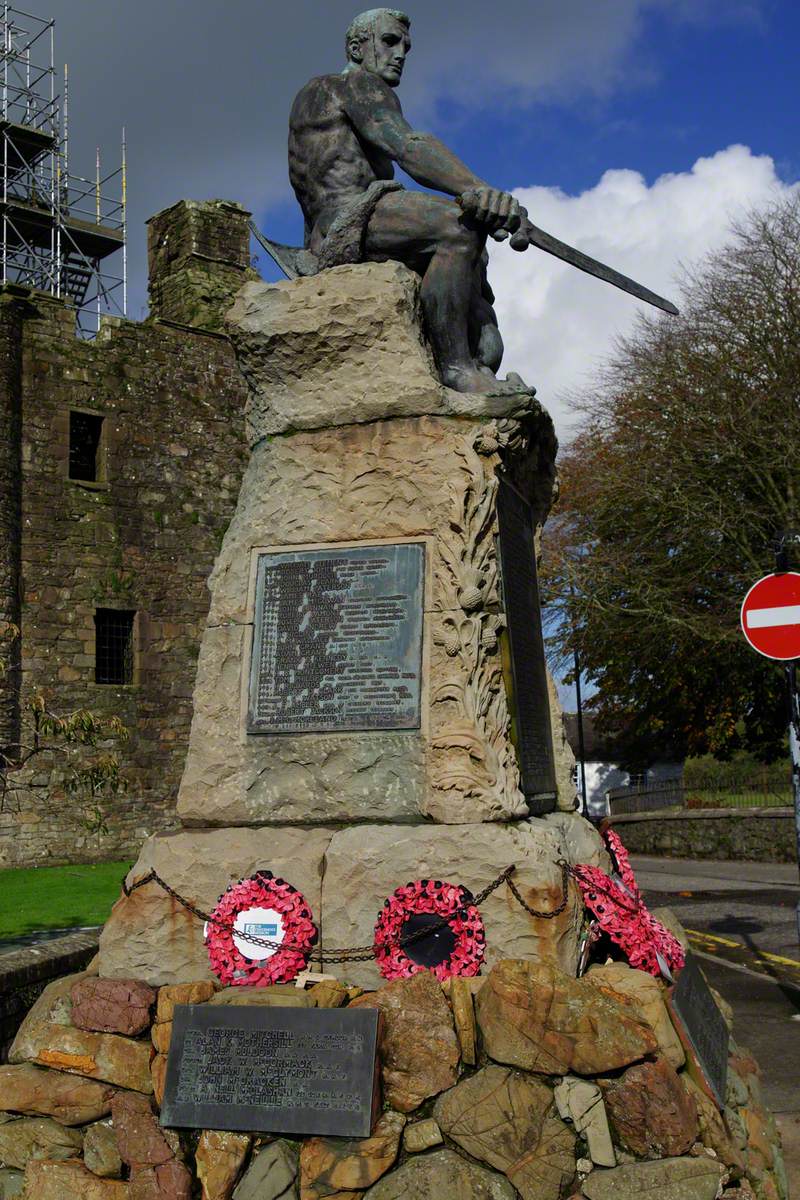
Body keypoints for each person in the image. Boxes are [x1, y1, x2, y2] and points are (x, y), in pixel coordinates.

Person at [288, 8, 529, 395]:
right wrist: (479, 190)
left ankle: (476, 357)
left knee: (474, 255)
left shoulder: (335, 92)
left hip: (359, 217)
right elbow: (407, 147)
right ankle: (457, 371)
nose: (400, 53)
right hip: (345, 222)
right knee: (457, 228)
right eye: (389, 42)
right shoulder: (350, 86)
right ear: (356, 47)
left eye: (405, 47)